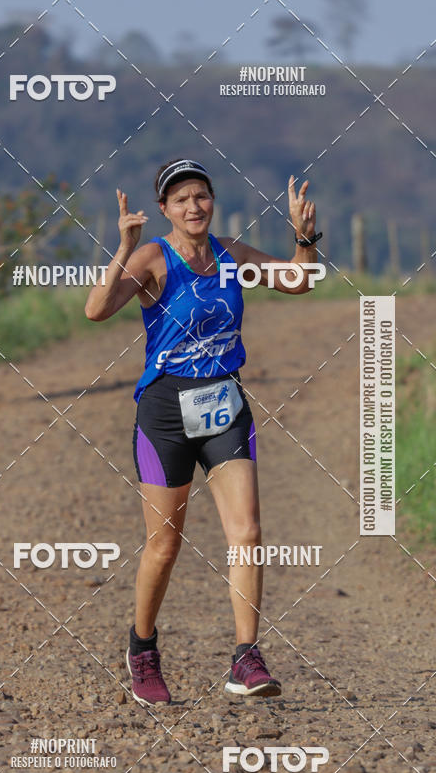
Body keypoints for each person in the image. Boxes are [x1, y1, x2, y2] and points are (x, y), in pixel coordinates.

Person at [85, 158, 320, 705]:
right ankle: (142, 647)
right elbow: (96, 310)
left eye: (202, 196)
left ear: (212, 202)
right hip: (165, 410)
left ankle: (246, 656)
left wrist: (305, 238)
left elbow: (299, 280)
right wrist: (122, 246)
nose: (194, 206)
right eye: (181, 199)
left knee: (249, 532)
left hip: (225, 403)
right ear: (165, 209)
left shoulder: (231, 255)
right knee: (165, 545)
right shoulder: (153, 258)